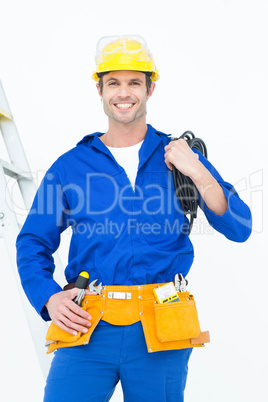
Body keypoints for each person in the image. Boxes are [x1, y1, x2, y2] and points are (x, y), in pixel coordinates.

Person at [16, 35, 252, 401]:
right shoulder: (71, 166)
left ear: (149, 88)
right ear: (99, 89)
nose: (123, 93)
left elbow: (239, 226)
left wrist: (197, 170)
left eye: (133, 83)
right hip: (88, 321)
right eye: (113, 83)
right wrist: (48, 297)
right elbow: (33, 240)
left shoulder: (179, 156)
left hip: (163, 321)